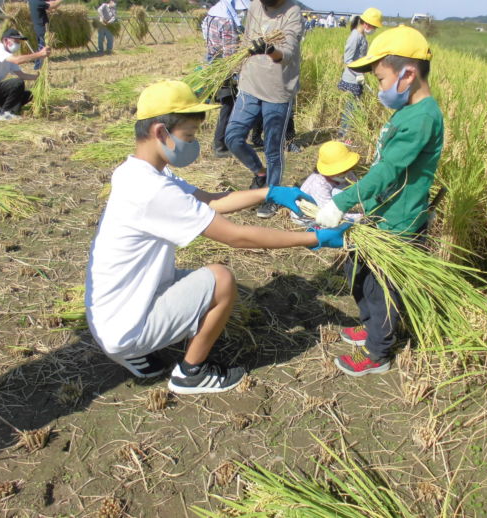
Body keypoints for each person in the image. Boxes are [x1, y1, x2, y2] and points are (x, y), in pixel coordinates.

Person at [85, 80, 349, 395]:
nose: (194, 144)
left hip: (110, 317)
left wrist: (270, 192)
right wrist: (314, 239)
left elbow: (210, 201)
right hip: (123, 326)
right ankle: (190, 374)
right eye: (189, 136)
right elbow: (237, 238)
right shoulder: (152, 191)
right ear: (160, 133)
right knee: (221, 279)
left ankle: (133, 353)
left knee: (191, 280)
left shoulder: (138, 173)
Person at [315, 26, 444, 376]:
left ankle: (378, 352)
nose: (379, 87)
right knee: (357, 272)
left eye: (382, 79)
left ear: (408, 74)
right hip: (380, 215)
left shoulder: (421, 118)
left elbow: (388, 171)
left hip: (399, 223)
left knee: (382, 290)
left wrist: (341, 202)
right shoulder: (406, 113)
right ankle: (371, 325)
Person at [224, 0, 303, 219]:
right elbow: (246, 41)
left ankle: (272, 195)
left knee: (273, 148)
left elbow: (287, 52)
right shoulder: (255, 7)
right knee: (233, 138)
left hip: (277, 91)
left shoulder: (292, 11)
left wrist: (269, 50)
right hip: (249, 84)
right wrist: (236, 68)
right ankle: (260, 173)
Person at [201, 0, 249, 158]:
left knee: (227, 104)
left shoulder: (209, 17)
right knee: (228, 105)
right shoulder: (226, 22)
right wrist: (236, 74)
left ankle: (225, 141)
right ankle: (220, 145)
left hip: (212, 64)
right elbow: (230, 53)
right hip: (224, 69)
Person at [0, 29, 50, 121]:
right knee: (17, 83)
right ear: (6, 41)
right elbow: (17, 60)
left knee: (29, 95)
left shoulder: (8, 56)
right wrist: (39, 54)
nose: (18, 44)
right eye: (16, 41)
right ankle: (6, 113)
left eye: (19, 42)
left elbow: (22, 75)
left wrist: (39, 78)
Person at [291, 141, 362, 226]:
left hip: (328, 203)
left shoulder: (346, 173)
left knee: (340, 191)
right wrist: (357, 217)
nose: (346, 172)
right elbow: (330, 211)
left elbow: (358, 188)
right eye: (342, 170)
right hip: (307, 213)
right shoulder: (319, 184)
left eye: (347, 168)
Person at [337, 7, 382, 141]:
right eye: (374, 26)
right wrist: (357, 74)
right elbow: (348, 60)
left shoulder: (362, 36)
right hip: (351, 79)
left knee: (353, 108)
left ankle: (345, 135)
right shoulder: (355, 36)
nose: (374, 29)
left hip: (357, 78)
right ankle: (344, 137)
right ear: (367, 24)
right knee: (350, 109)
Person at [28, 0, 63, 69]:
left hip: (38, 27)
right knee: (43, 48)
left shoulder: (32, 1)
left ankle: (39, 66)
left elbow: (49, 6)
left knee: (41, 47)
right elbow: (53, 5)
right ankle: (38, 67)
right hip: (42, 28)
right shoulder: (37, 2)